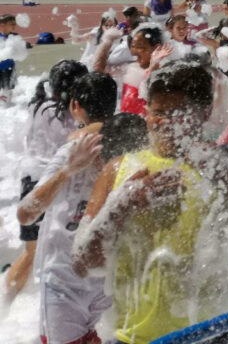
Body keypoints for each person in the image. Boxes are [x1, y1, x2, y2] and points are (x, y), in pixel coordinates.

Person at [71, 61, 228, 343]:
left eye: (177, 112)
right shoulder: (120, 170)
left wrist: (215, 169)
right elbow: (82, 263)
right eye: (158, 112)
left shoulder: (226, 168)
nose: (165, 122)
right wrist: (122, 206)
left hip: (212, 335)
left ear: (204, 112)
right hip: (133, 338)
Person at [17, 73, 146, 344]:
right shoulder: (75, 152)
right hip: (65, 281)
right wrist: (68, 170)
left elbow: (26, 215)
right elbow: (26, 213)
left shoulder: (127, 141)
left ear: (75, 105)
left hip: (104, 279)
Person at [5, 59, 89, 300]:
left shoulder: (38, 105)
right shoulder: (68, 116)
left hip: (29, 182)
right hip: (48, 187)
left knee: (31, 251)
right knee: (51, 252)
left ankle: (8, 297)